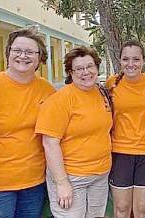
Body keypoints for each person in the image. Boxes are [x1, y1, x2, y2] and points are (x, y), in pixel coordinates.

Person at [0, 27, 55, 217]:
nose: (23, 56)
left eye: (30, 52)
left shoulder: (47, 90)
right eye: (17, 50)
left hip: (34, 183)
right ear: (8, 53)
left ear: (39, 58)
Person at [35, 46, 113, 217]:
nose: (86, 72)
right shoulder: (59, 101)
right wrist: (62, 183)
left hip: (100, 174)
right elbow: (50, 142)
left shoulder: (101, 93)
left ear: (96, 67)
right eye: (79, 68)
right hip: (72, 177)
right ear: (70, 72)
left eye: (90, 66)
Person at [106, 40, 145, 218]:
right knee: (121, 208)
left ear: (144, 60)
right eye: (125, 59)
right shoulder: (112, 84)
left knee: (142, 209)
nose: (131, 64)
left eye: (136, 59)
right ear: (119, 61)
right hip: (120, 152)